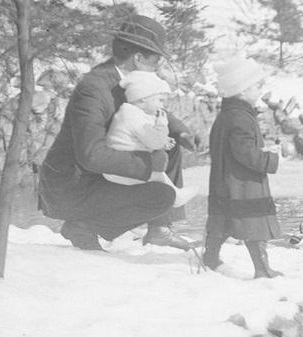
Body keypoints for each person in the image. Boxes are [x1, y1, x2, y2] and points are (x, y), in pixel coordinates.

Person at [38, 13, 199, 251]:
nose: (158, 68)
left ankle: (159, 229)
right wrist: (150, 164)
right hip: (74, 184)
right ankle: (83, 226)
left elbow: (149, 107)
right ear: (138, 59)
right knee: (162, 195)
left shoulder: (127, 78)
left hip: (95, 177)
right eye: (156, 62)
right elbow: (91, 155)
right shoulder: (94, 88)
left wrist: (180, 132)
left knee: (169, 144)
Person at [202, 57, 283, 278]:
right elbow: (244, 152)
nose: (259, 90)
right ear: (242, 90)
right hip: (243, 183)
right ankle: (262, 269)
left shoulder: (227, 115)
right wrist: (270, 160)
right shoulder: (241, 117)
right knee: (254, 225)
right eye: (256, 86)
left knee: (222, 221)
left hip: (224, 181)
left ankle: (209, 258)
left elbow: (236, 148)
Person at [104, 71, 195, 208]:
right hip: (123, 169)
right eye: (160, 100)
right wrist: (162, 125)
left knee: (158, 163)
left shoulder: (131, 112)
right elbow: (154, 141)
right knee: (157, 165)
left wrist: (162, 140)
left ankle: (174, 195)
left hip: (122, 164)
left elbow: (146, 137)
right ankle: (174, 197)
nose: (162, 106)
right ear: (142, 99)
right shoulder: (134, 117)